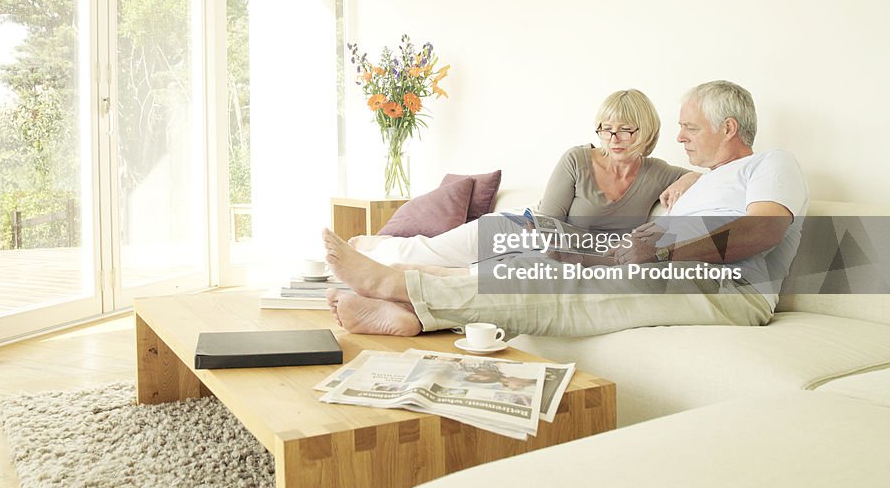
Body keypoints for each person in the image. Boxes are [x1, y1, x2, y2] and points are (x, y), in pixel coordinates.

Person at [322, 80, 808, 338]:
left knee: (564, 283)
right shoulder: (702, 182)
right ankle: (413, 311)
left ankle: (393, 284)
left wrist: (659, 255)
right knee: (531, 262)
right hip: (665, 267)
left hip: (731, 289)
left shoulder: (772, 162)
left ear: (728, 128)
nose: (680, 137)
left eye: (690, 128)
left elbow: (762, 231)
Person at [358, 89, 698, 274]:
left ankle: (395, 269)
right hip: (523, 228)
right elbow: (547, 223)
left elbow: (709, 177)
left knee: (447, 271)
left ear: (647, 131)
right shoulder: (577, 159)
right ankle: (365, 248)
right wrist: (601, 245)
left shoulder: (657, 172)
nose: (614, 138)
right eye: (605, 129)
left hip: (562, 253)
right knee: (428, 252)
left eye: (625, 129)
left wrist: (691, 177)